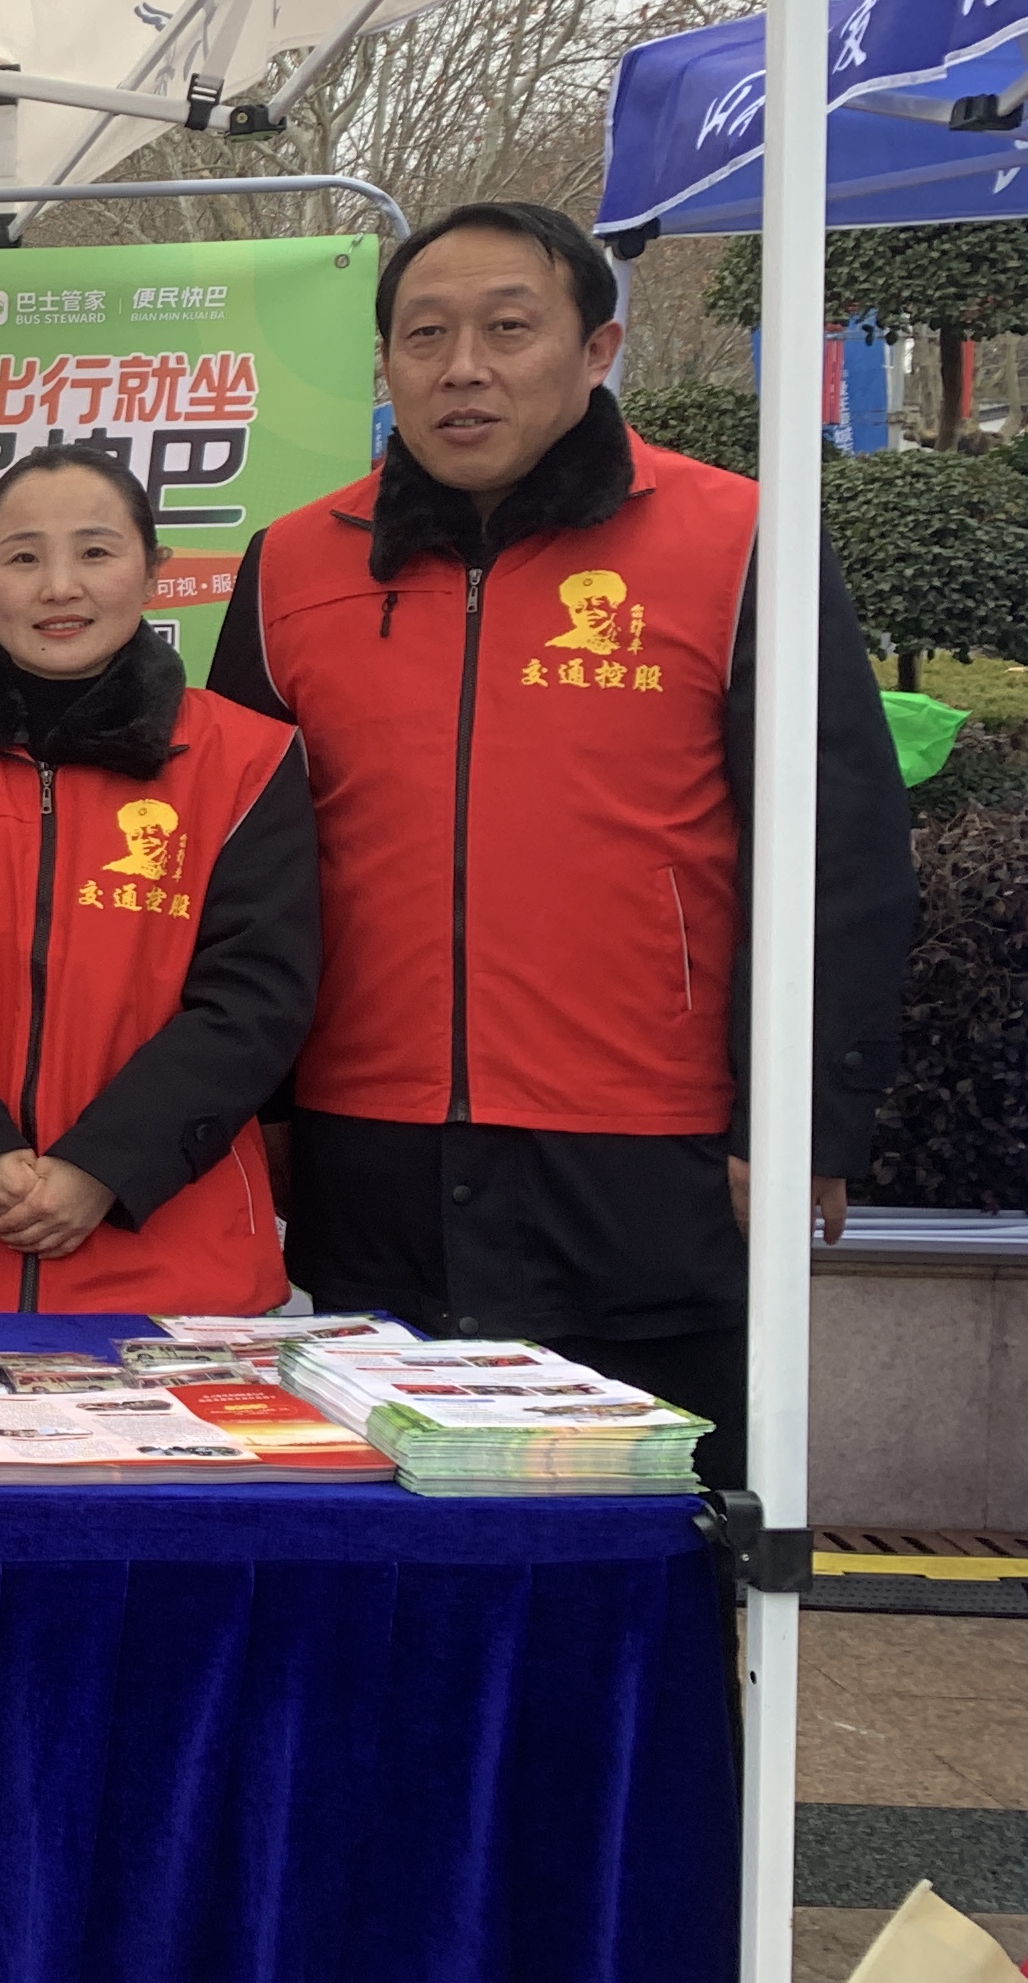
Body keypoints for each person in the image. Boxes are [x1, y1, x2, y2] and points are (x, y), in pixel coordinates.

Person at [209, 203, 917, 1477]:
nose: (461, 368)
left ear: (598, 350)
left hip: (651, 1149)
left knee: (658, 1521)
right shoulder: (291, 568)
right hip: (369, 1141)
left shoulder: (738, 541)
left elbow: (839, 852)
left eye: (507, 329)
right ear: (386, 362)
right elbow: (243, 877)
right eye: (424, 335)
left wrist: (807, 1118)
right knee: (398, 1522)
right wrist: (251, 1113)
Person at [0, 449, 319, 1313]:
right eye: (23, 557)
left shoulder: (249, 759)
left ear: (154, 571)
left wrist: (104, 1167)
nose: (60, 587)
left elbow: (256, 997)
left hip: (173, 1264)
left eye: (95, 552)